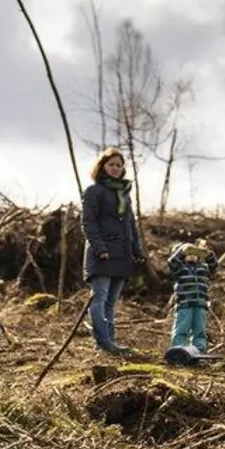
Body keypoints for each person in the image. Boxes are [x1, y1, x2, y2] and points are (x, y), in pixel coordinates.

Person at [81, 148, 143, 355]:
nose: (115, 168)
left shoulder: (124, 193)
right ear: (102, 167)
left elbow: (130, 225)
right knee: (98, 298)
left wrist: (137, 250)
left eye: (119, 165)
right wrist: (100, 248)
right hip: (102, 254)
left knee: (111, 302)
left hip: (122, 255)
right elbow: (88, 223)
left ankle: (109, 342)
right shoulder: (94, 191)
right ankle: (103, 342)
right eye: (111, 164)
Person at [165, 240, 218, 362]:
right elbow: (172, 262)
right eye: (189, 254)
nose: (192, 256)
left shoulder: (204, 268)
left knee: (200, 329)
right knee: (182, 328)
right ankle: (178, 349)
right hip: (185, 304)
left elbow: (214, 265)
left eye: (195, 253)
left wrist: (208, 254)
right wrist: (182, 250)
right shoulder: (180, 269)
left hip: (201, 304)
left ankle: (199, 350)